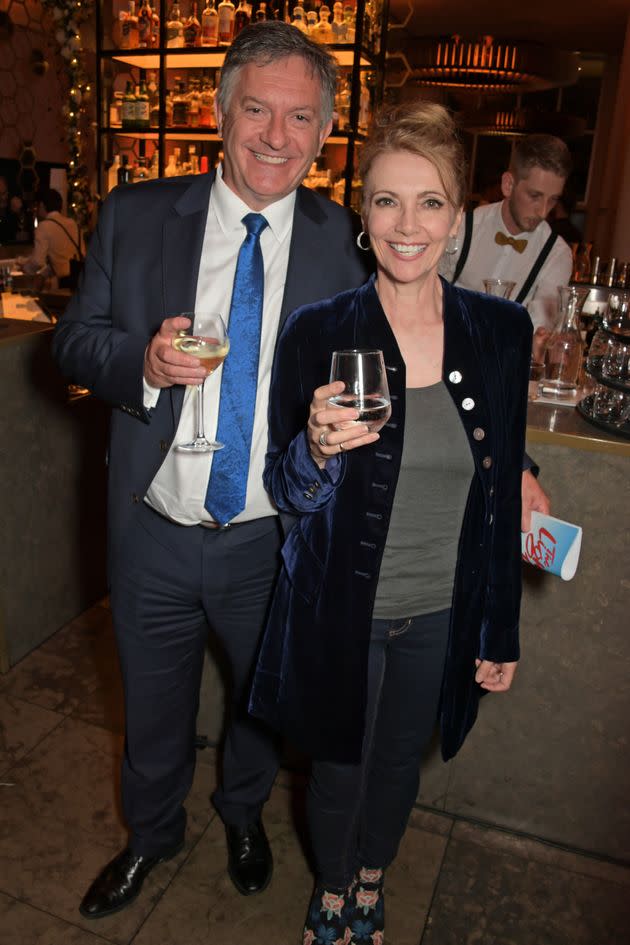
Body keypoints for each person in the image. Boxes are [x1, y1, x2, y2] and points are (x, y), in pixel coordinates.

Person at [52, 21, 371, 921]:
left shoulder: (346, 241)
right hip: (154, 523)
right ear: (223, 114)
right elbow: (74, 341)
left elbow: (413, 356)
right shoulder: (138, 212)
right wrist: (141, 366)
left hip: (273, 536)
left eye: (299, 117)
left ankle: (241, 812)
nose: (276, 135)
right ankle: (150, 834)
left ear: (323, 131)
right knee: (151, 705)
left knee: (259, 706)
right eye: (257, 110)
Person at [249, 102, 531, 944]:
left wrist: (499, 628)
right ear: (361, 214)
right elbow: (284, 488)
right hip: (341, 606)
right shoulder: (318, 331)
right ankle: (333, 888)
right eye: (385, 201)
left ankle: (372, 876)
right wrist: (316, 451)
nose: (408, 225)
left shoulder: (500, 332)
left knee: (399, 765)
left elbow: (501, 491)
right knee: (336, 767)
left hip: (441, 611)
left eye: (430, 202)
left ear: (456, 216)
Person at [441, 133, 573, 332]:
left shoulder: (556, 254)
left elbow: (538, 330)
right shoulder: (462, 227)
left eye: (553, 199)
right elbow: (427, 293)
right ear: (508, 185)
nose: (544, 211)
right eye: (535, 196)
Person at [17, 188, 84, 288]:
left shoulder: (44, 226)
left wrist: (24, 269)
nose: (36, 209)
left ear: (42, 205)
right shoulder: (73, 223)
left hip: (65, 285)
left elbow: (38, 261)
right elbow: (69, 256)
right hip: (82, 279)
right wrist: (43, 275)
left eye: (37, 205)